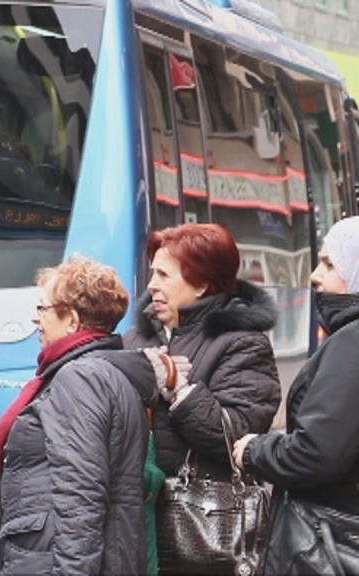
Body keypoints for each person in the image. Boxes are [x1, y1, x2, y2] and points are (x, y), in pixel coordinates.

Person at [0, 256, 161, 574]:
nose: (35, 319)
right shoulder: (105, 372)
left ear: (72, 320)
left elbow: (80, 492)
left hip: (49, 560)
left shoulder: (79, 378)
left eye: (43, 309)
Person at [232, 216, 359, 574]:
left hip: (331, 539)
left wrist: (256, 450)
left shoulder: (352, 343)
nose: (316, 275)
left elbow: (318, 451)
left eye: (330, 264)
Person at [124, 224, 280, 487]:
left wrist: (179, 391)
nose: (152, 285)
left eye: (163, 275)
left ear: (200, 284)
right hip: (136, 508)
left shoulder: (244, 343)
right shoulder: (136, 337)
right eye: (153, 273)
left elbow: (237, 438)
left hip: (200, 514)